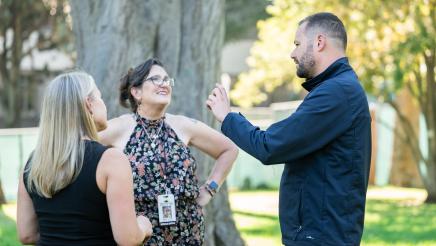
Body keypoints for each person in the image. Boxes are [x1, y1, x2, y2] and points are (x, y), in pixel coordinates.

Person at [207, 12, 371, 246]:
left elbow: (270, 146)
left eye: (297, 44)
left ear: (319, 42)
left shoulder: (336, 93)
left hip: (322, 238)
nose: (292, 53)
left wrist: (227, 117)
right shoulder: (337, 89)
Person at [99, 58, 238, 245]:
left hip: (189, 233)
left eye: (167, 80)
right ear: (136, 91)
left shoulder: (183, 125)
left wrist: (209, 190)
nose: (164, 84)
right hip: (143, 235)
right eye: (155, 79)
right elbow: (79, 145)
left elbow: (229, 150)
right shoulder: (120, 127)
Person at [16, 71, 153, 245]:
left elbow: (26, 235)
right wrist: (143, 225)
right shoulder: (110, 160)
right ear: (89, 104)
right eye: (100, 97)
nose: (103, 104)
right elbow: (128, 239)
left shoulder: (32, 163)